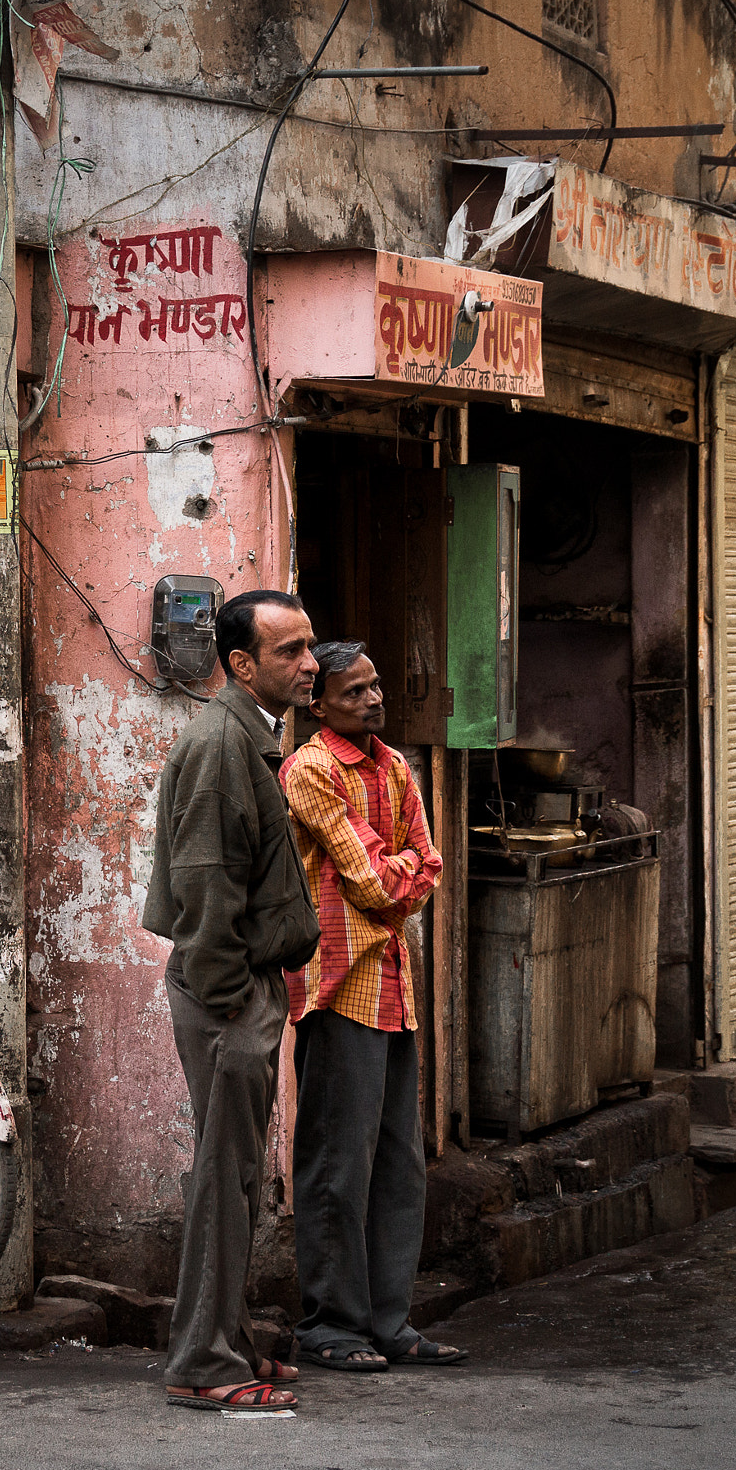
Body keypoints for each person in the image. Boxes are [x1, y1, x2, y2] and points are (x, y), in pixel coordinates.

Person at [143, 589, 322, 1412]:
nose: (310, 664)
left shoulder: (251, 738)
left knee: (239, 1177)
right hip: (226, 995)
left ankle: (229, 1341)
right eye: (290, 651)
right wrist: (229, 1013)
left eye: (309, 647)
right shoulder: (220, 745)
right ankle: (204, 1365)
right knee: (224, 1181)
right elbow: (207, 891)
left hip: (243, 989)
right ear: (243, 664)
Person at [280, 640, 465, 1373]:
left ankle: (389, 1320)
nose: (372, 700)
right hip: (337, 986)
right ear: (318, 705)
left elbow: (429, 864)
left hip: (392, 984)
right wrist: (404, 875)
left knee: (398, 1164)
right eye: (353, 692)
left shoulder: (395, 767)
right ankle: (331, 1324)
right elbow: (379, 881)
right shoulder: (312, 769)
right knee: (337, 1163)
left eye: (375, 686)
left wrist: (404, 874)